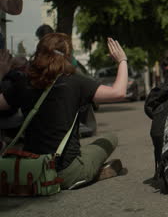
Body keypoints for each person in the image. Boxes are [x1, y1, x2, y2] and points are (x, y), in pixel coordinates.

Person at [0, 34, 128, 189]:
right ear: (67, 56)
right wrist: (122, 61)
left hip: (32, 171)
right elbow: (118, 92)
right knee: (110, 138)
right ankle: (87, 174)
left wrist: (1, 73)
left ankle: (87, 171)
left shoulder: (24, 82)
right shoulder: (75, 81)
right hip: (65, 172)